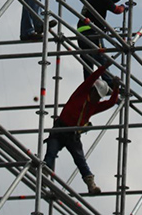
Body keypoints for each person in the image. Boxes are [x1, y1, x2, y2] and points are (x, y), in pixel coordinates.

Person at [43, 65, 119, 195]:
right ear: (93, 90)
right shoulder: (81, 93)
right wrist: (105, 65)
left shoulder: (93, 106)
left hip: (73, 136)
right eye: (98, 95)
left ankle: (90, 184)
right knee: (51, 153)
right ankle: (43, 178)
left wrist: (116, 88)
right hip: (60, 129)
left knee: (80, 160)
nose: (98, 99)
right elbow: (92, 78)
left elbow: (110, 103)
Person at [77, 0, 129, 80]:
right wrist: (124, 6)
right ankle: (109, 81)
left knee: (87, 59)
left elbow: (108, 0)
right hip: (93, 32)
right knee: (101, 57)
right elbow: (117, 10)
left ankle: (89, 84)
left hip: (81, 33)